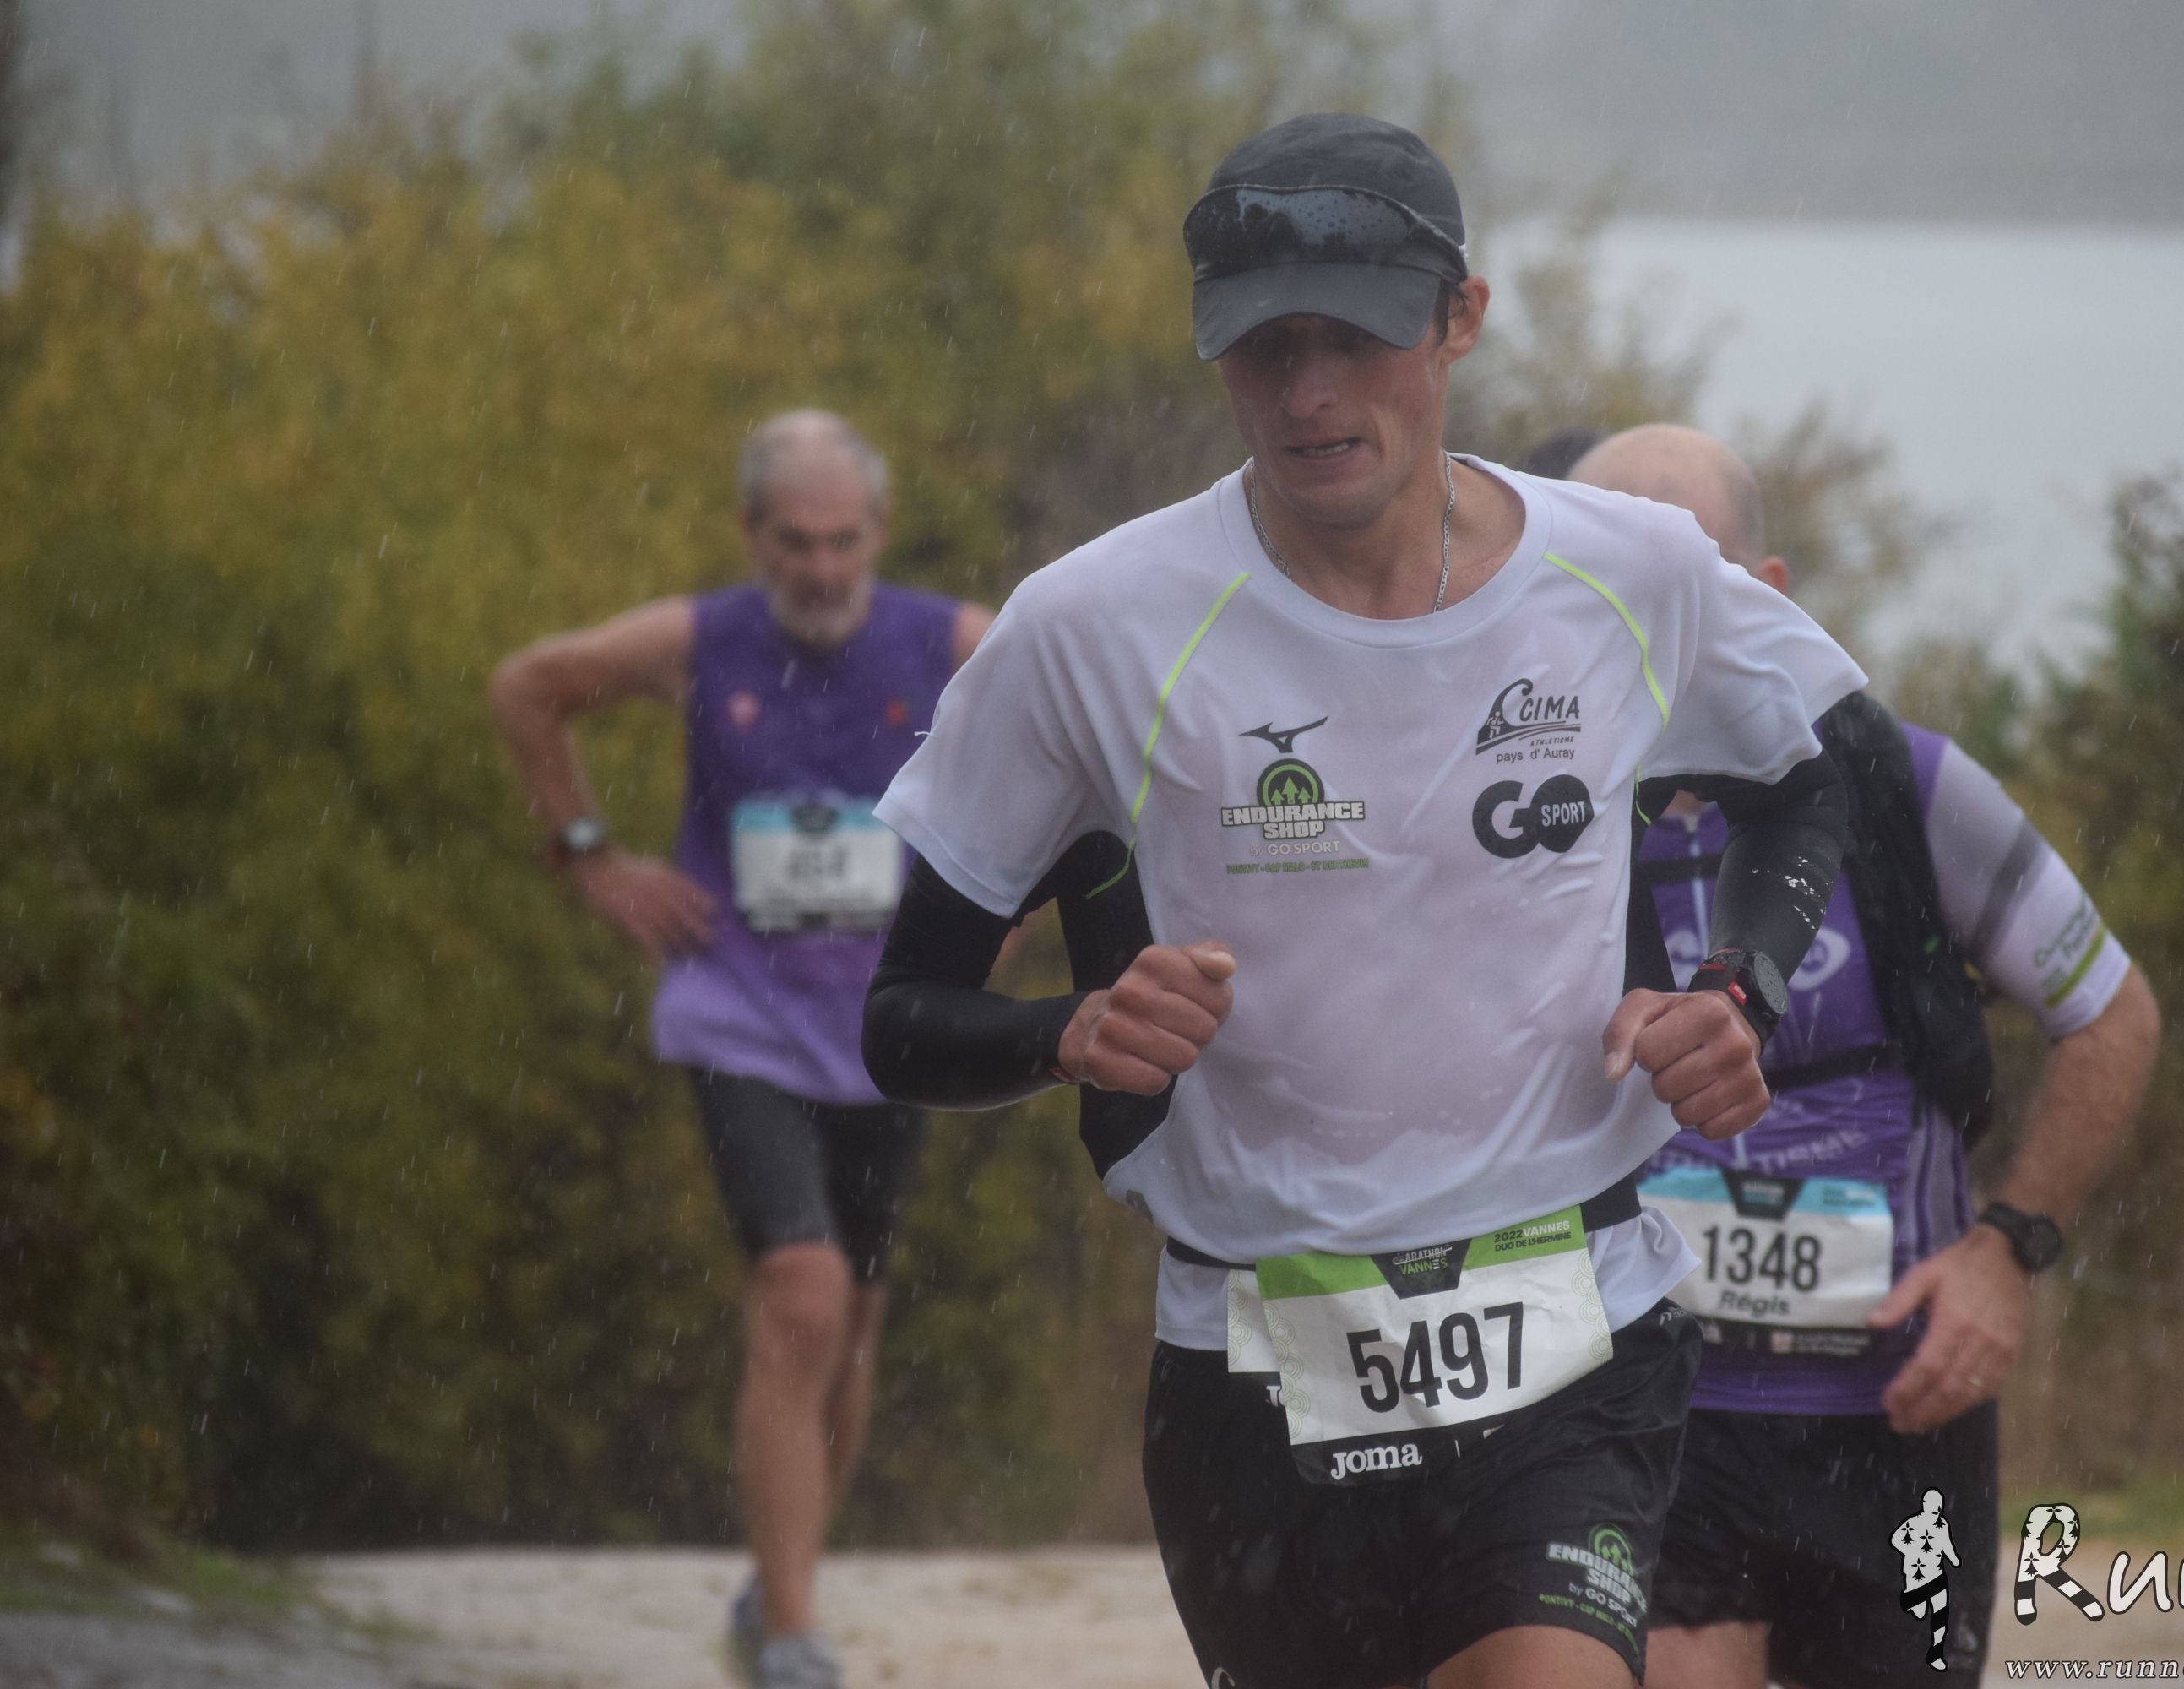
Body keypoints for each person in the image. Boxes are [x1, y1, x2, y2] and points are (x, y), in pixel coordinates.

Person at [859, 116, 1869, 1689]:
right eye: (1263, 348)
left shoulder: (1636, 573)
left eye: (1353, 338)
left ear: (1460, 319)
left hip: (1572, 1340)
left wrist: (1739, 986)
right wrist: (1071, 1033)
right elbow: (902, 1023)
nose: (1308, 394)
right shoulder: (1091, 627)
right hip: (1255, 1370)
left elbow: (1818, 775)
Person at [1568, 424, 2162, 1689]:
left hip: (1901, 1420)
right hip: (1653, 1412)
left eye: (1671, 586)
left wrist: (2007, 1254)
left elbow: (2114, 1014)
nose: (1628, 625)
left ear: (1764, 594)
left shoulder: (1908, 787)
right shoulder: (1537, 825)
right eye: (1592, 587)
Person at [487, 411, 991, 1689]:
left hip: (886, 1024)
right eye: (795, 542)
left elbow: (1101, 732)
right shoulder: (700, 640)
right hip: (740, 1010)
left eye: (842, 541)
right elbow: (527, 687)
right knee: (801, 1295)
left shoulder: (951, 644)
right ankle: (793, 1636)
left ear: (880, 531)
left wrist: (1017, 897)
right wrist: (591, 860)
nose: (820, 568)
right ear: (752, 535)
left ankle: (778, 1583)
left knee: (854, 1323)